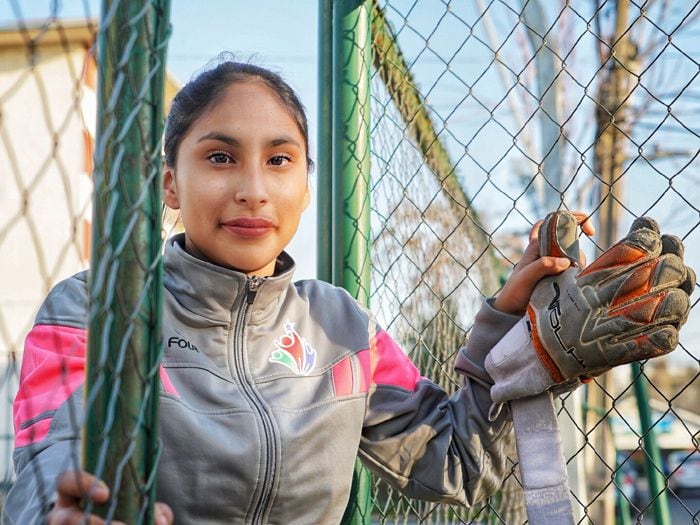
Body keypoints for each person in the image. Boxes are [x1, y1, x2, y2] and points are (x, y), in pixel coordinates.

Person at [2, 59, 692, 525]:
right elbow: (49, 464)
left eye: (279, 159)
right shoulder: (93, 310)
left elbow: (452, 461)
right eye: (219, 156)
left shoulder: (342, 327)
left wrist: (517, 344)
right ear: (170, 183)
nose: (252, 187)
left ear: (306, 182)